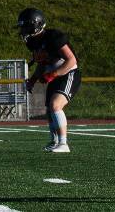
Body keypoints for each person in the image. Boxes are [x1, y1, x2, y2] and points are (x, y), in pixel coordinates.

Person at [17, 8, 80, 153]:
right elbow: (42, 62)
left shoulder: (54, 36)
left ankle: (64, 143)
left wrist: (53, 74)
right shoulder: (33, 42)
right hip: (54, 74)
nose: (22, 30)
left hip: (69, 73)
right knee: (50, 109)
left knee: (55, 105)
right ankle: (55, 141)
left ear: (36, 24)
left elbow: (71, 60)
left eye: (25, 26)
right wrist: (33, 79)